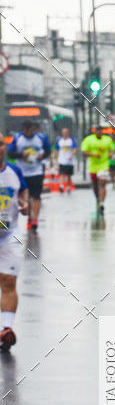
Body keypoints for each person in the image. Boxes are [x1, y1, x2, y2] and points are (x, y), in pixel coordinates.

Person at [0, 137, 28, 351]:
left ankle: (6, 330)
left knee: (9, 281)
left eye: (0, 143)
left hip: (9, 235)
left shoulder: (15, 172)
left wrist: (25, 204)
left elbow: (23, 196)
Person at [7, 119, 51, 231]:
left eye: (30, 130)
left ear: (34, 129)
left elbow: (48, 150)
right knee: (27, 197)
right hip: (22, 172)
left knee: (36, 196)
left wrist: (43, 156)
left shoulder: (41, 138)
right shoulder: (17, 139)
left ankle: (35, 219)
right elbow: (10, 154)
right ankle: (30, 217)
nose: (28, 133)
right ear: (23, 130)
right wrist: (21, 154)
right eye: (26, 130)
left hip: (37, 171)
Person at [80, 125, 114, 214]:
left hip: (104, 165)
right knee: (95, 186)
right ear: (95, 131)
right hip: (93, 166)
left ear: (102, 131)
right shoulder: (88, 139)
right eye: (97, 131)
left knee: (102, 184)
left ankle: (102, 203)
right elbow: (83, 152)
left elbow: (111, 150)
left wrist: (110, 154)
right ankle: (98, 199)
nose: (99, 132)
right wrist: (93, 154)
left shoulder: (107, 140)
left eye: (100, 131)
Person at [55, 126, 77, 193]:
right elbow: (56, 149)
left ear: (68, 133)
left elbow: (75, 148)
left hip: (70, 161)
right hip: (61, 160)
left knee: (68, 175)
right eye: (63, 132)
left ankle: (68, 186)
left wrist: (71, 155)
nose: (64, 133)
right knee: (61, 173)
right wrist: (56, 158)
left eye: (66, 132)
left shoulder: (71, 140)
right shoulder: (59, 140)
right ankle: (61, 186)